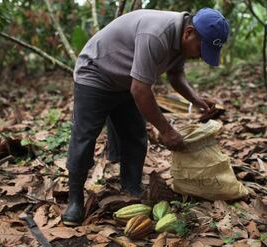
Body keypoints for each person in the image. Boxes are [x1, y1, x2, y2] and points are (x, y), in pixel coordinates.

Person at [62, 7, 229, 226]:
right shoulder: (157, 35)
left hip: (126, 79)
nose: (199, 55)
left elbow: (176, 74)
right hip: (95, 73)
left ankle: (131, 189)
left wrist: (196, 100)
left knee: (134, 135)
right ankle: (74, 199)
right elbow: (141, 90)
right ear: (189, 33)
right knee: (84, 136)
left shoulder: (182, 41)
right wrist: (167, 131)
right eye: (201, 48)